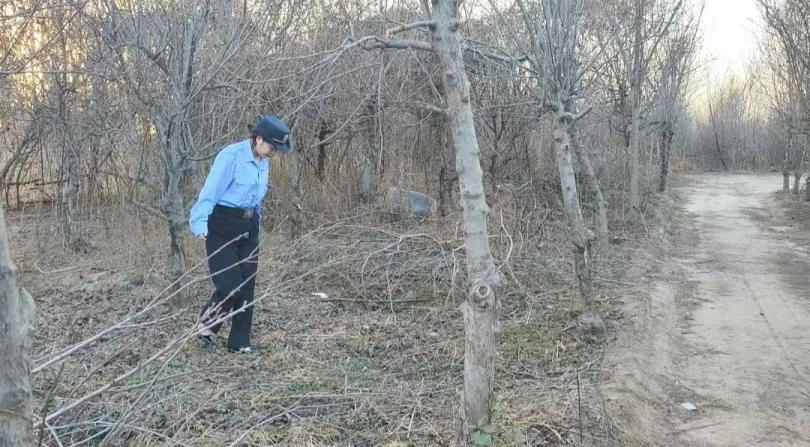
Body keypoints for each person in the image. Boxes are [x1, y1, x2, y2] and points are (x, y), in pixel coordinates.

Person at [189, 115, 290, 354]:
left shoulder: (264, 161)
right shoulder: (231, 156)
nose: (274, 151)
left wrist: (256, 224)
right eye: (272, 146)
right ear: (258, 139)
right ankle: (206, 326)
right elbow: (210, 191)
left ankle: (239, 342)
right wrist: (200, 222)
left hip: (249, 227)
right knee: (230, 284)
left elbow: (256, 199)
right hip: (223, 225)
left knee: (247, 286)